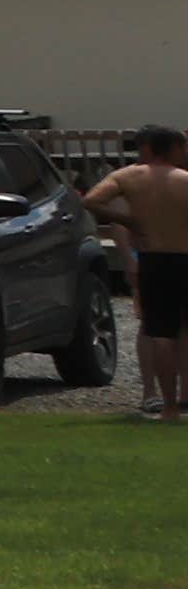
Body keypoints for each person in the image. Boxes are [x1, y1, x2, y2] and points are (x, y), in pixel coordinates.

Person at [93, 125, 188, 423]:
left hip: (153, 259)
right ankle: (184, 396)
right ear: (172, 148)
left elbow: (91, 200)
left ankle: (169, 406)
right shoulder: (184, 180)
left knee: (159, 332)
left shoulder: (127, 177)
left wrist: (130, 222)